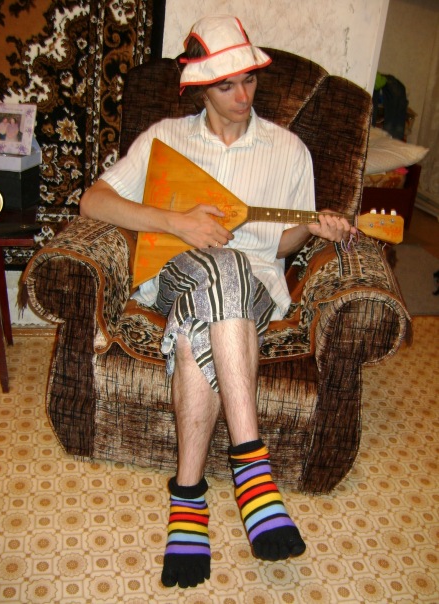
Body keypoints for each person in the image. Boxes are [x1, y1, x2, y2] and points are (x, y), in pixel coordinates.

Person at [80, 15, 356, 589]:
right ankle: (252, 468)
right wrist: (174, 222)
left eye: (248, 81)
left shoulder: (289, 150)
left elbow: (280, 244)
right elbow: (94, 202)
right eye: (225, 85)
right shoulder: (164, 138)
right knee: (217, 265)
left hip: (254, 288)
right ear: (200, 88)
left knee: (195, 330)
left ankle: (188, 497)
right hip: (174, 275)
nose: (241, 96)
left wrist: (312, 229)